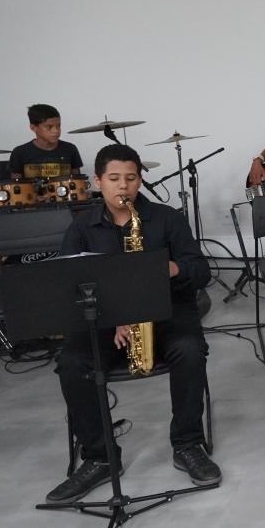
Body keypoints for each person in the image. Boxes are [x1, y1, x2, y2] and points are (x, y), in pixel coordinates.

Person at [45, 144, 218, 505]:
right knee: (72, 363)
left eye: (131, 178)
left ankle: (187, 444)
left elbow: (201, 270)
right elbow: (67, 286)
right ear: (97, 181)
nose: (123, 186)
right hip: (106, 321)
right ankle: (100, 457)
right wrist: (114, 318)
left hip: (167, 311)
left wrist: (172, 267)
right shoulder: (82, 227)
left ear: (140, 180)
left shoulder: (167, 218)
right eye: (114, 178)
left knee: (190, 350)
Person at [8, 104, 83, 179]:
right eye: (49, 127)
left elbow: (77, 180)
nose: (56, 131)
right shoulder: (20, 152)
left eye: (58, 126)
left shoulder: (70, 149)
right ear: (33, 128)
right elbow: (15, 183)